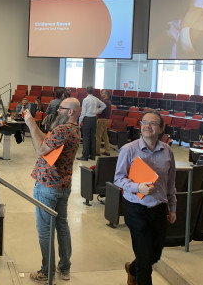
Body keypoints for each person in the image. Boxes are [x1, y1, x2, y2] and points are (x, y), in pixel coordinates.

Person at [113, 109, 177, 285]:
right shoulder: (128, 149)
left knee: (154, 255)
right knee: (145, 260)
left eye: (153, 123)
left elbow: (170, 184)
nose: (147, 126)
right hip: (136, 209)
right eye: (144, 122)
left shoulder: (168, 151)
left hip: (159, 208)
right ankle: (138, 272)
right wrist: (137, 187)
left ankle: (131, 268)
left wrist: (173, 207)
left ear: (161, 128)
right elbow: (118, 179)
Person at [24, 97, 81, 284]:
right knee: (62, 226)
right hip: (63, 186)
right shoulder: (73, 129)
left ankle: (46, 271)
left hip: (47, 187)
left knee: (45, 231)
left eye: (61, 108)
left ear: (70, 112)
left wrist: (31, 124)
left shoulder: (63, 130)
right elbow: (47, 140)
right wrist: (35, 126)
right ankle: (64, 268)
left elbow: (41, 150)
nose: (58, 111)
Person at [77, 86, 106, 161]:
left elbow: (83, 113)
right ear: (92, 91)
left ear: (86, 91)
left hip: (87, 119)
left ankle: (85, 156)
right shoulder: (96, 99)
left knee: (86, 138)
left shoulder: (85, 100)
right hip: (94, 119)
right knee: (93, 137)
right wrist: (97, 111)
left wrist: (79, 122)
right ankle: (92, 155)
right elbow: (104, 106)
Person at [95, 89, 112, 156]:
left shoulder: (104, 102)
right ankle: (107, 151)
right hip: (106, 120)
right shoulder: (109, 102)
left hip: (101, 120)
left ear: (106, 94)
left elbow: (100, 111)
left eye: (102, 93)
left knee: (98, 136)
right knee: (105, 135)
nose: (101, 94)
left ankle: (97, 151)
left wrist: (96, 108)